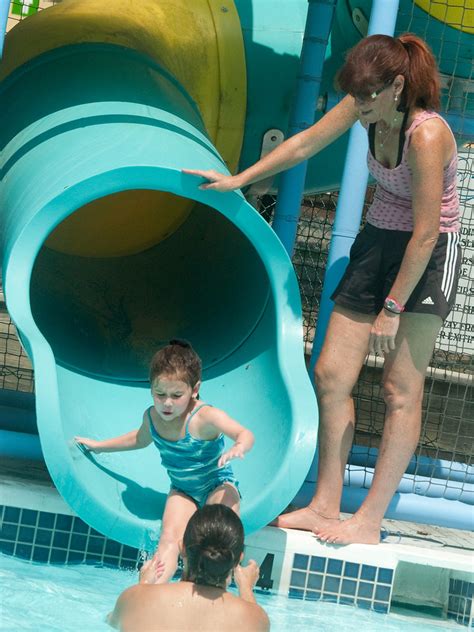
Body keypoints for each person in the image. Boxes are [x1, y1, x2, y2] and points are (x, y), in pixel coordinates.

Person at [183, 34, 461, 545]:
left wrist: (393, 308)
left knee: (400, 388)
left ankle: (369, 521)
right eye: (355, 96)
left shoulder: (427, 136)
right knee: (332, 375)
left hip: (428, 253)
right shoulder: (363, 104)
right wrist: (239, 178)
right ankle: (326, 504)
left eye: (369, 96)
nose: (360, 105)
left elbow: (425, 233)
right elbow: (307, 141)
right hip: (379, 241)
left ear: (398, 87)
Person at [75, 340, 255, 580]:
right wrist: (99, 446)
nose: (167, 402)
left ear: (194, 389)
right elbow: (138, 439)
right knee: (168, 541)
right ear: (151, 389)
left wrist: (239, 446)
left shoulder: (205, 417)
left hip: (218, 484)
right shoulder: (152, 418)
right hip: (183, 490)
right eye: (160, 394)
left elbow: (244, 433)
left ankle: (211, 589)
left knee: (216, 540)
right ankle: (152, 592)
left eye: (176, 395)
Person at [108, 504, 270, 632]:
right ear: (238, 560)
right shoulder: (256, 618)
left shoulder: (133, 598)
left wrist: (142, 586)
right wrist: (246, 588)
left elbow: (114, 622)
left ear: (183, 547)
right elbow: (255, 623)